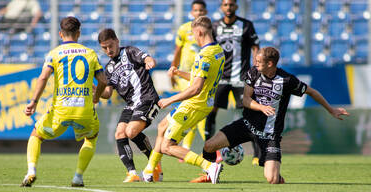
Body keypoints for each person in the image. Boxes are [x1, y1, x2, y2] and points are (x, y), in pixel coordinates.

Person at [201, 47, 350, 184]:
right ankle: (209, 175)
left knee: (272, 179)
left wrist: (331, 109)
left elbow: (312, 92)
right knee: (209, 146)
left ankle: (277, 175)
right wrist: (261, 107)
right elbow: (246, 100)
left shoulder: (287, 80)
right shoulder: (253, 72)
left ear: (270, 64)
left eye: (259, 62)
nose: (256, 63)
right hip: (246, 125)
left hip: (270, 135)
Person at [21, 16, 107, 187]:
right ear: (79, 33)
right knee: (91, 138)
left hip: (60, 111)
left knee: (36, 135)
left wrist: (34, 102)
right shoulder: (90, 53)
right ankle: (78, 177)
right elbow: (103, 81)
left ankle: (31, 171)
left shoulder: (54, 53)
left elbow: (43, 77)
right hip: (84, 111)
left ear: (61, 34)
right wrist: (96, 98)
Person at [142, 16, 225, 184]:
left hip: (194, 104)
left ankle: (209, 166)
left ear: (200, 32)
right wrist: (180, 73)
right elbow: (201, 78)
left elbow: (196, 88)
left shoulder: (204, 56)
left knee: (167, 146)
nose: (194, 38)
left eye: (194, 34)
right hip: (202, 103)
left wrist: (169, 100)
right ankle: (150, 171)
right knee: (162, 126)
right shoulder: (218, 51)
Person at [97, 28, 162, 182]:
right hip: (132, 104)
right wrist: (97, 90)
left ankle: (154, 162)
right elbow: (107, 93)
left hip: (148, 99)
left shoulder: (130, 52)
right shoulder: (109, 69)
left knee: (131, 131)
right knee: (120, 133)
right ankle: (132, 173)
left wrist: (150, 62)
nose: (108, 50)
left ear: (117, 41)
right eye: (104, 48)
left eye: (110, 46)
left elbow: (147, 58)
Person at [205, 0, 261, 166]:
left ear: (236, 6)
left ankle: (257, 155)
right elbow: (209, 47)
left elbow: (255, 46)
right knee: (210, 111)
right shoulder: (214, 26)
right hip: (220, 77)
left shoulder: (246, 25)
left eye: (231, 4)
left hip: (241, 77)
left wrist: (256, 68)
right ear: (221, 7)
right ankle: (209, 151)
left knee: (250, 113)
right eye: (225, 5)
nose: (228, 8)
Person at [168, 0, 208, 156]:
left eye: (201, 10)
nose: (198, 13)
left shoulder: (210, 30)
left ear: (205, 12)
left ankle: (188, 146)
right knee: (191, 106)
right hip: (185, 74)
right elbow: (178, 51)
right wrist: (173, 69)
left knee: (193, 109)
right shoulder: (184, 29)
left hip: (201, 75)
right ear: (191, 12)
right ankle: (189, 146)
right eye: (195, 10)